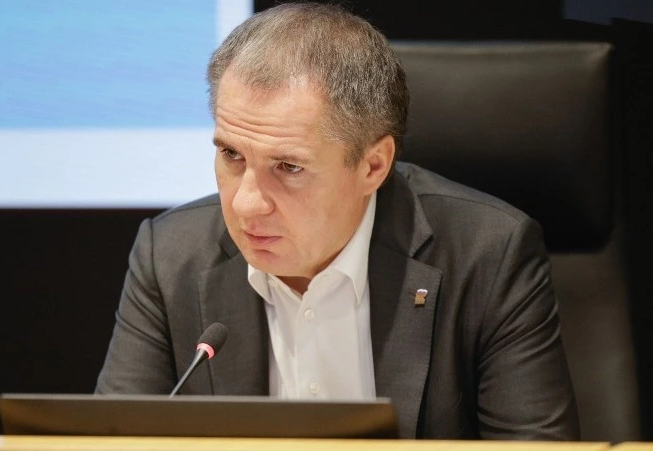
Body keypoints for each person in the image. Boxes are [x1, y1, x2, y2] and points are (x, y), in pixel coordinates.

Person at [96, 2, 579, 440]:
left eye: (289, 167)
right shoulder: (170, 256)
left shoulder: (487, 254)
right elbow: (109, 441)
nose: (246, 204)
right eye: (231, 155)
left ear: (373, 166)